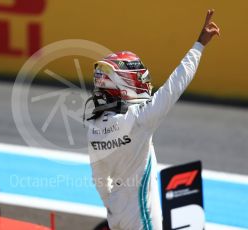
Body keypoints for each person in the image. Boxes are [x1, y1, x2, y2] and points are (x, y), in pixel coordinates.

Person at [86, 10, 220, 230]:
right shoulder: (138, 120)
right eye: (138, 77)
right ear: (124, 85)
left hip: (115, 215)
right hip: (141, 216)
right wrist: (199, 45)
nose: (143, 82)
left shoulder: (94, 128)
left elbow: (99, 179)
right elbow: (174, 85)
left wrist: (112, 206)